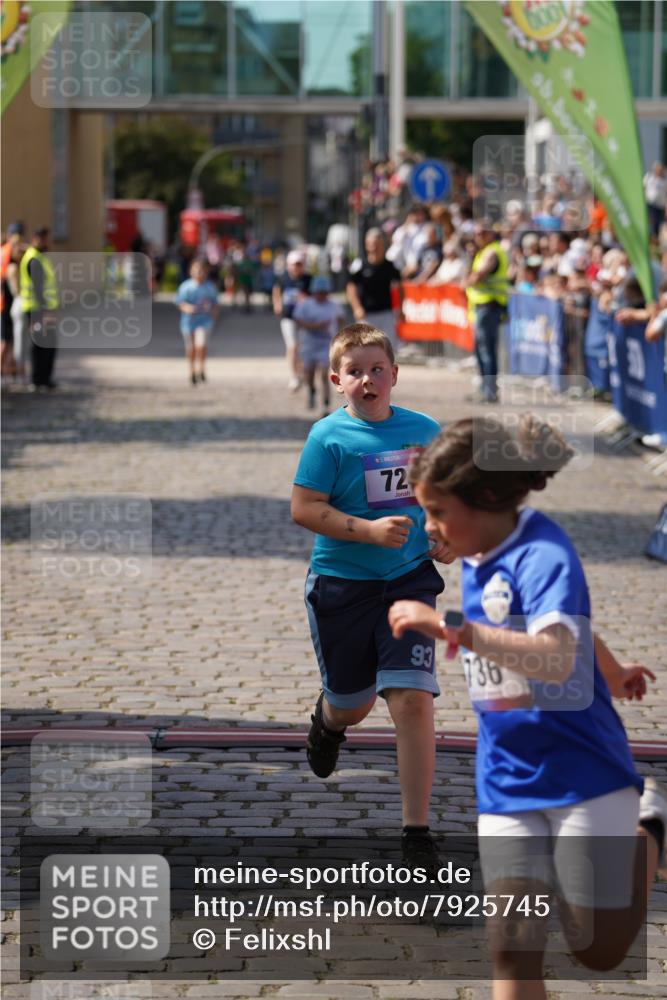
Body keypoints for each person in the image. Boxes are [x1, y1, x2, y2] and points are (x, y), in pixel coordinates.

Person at [389, 414, 665, 1000]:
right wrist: (613, 672)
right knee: (512, 950)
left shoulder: (545, 554)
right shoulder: (481, 546)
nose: (430, 529)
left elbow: (557, 654)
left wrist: (449, 626)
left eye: (438, 513)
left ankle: (650, 830)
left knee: (597, 949)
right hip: (508, 777)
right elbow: (562, 629)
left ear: (485, 499)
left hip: (583, 774)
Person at [290, 322, 454, 869]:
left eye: (376, 369)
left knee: (411, 697)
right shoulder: (328, 438)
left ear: (394, 375)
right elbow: (305, 508)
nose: (367, 379)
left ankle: (416, 832)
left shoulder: (424, 429)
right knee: (353, 703)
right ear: (337, 380)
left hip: (409, 581)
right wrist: (368, 529)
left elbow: (442, 497)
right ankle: (328, 723)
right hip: (341, 586)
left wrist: (445, 533)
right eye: (355, 371)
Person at [464, 221, 509, 404]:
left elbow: (477, 277)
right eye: (476, 233)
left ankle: (489, 391)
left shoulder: (492, 251)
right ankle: (485, 389)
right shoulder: (482, 252)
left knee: (486, 351)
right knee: (481, 351)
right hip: (482, 307)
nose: (478, 236)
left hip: (489, 307)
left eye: (482, 233)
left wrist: (471, 279)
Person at [292, 275, 345, 416]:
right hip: (309, 344)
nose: (321, 295)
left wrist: (340, 335)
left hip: (326, 344)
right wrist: (315, 326)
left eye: (324, 292)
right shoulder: (306, 304)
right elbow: (297, 321)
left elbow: (341, 319)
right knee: (309, 373)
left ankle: (326, 405)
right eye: (319, 292)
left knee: (324, 374)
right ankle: (311, 390)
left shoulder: (334, 305)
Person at [20, 227, 59, 391]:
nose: (47, 242)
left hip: (40, 309)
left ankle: (43, 379)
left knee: (46, 345)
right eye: (45, 239)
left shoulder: (39, 257)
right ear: (37, 238)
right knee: (43, 345)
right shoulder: (34, 259)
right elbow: (38, 289)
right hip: (38, 310)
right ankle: (39, 379)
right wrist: (45, 312)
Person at [346, 229, 400, 347]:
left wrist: (400, 309)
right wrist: (356, 307)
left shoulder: (390, 266)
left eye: (377, 244)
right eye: (371, 244)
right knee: (366, 347)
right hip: (366, 315)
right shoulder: (359, 264)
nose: (374, 247)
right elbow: (351, 287)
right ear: (367, 245)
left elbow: (399, 287)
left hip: (386, 313)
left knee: (387, 347)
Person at [175, 258, 220, 385]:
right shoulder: (186, 286)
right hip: (188, 321)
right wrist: (188, 308)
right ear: (191, 271)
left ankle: (201, 367)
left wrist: (214, 317)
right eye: (197, 270)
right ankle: (192, 371)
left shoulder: (210, 287)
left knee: (200, 345)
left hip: (204, 321)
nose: (200, 272)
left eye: (202, 270)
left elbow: (215, 304)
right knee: (191, 348)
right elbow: (180, 302)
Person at [273, 250, 311, 391]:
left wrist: (305, 299)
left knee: (302, 348)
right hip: (288, 317)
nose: (296, 267)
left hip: (305, 319)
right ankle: (294, 376)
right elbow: (276, 290)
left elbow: (316, 298)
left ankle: (301, 371)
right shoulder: (283, 278)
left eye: (299, 264)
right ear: (289, 265)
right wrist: (277, 304)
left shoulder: (308, 279)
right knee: (292, 346)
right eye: (294, 264)